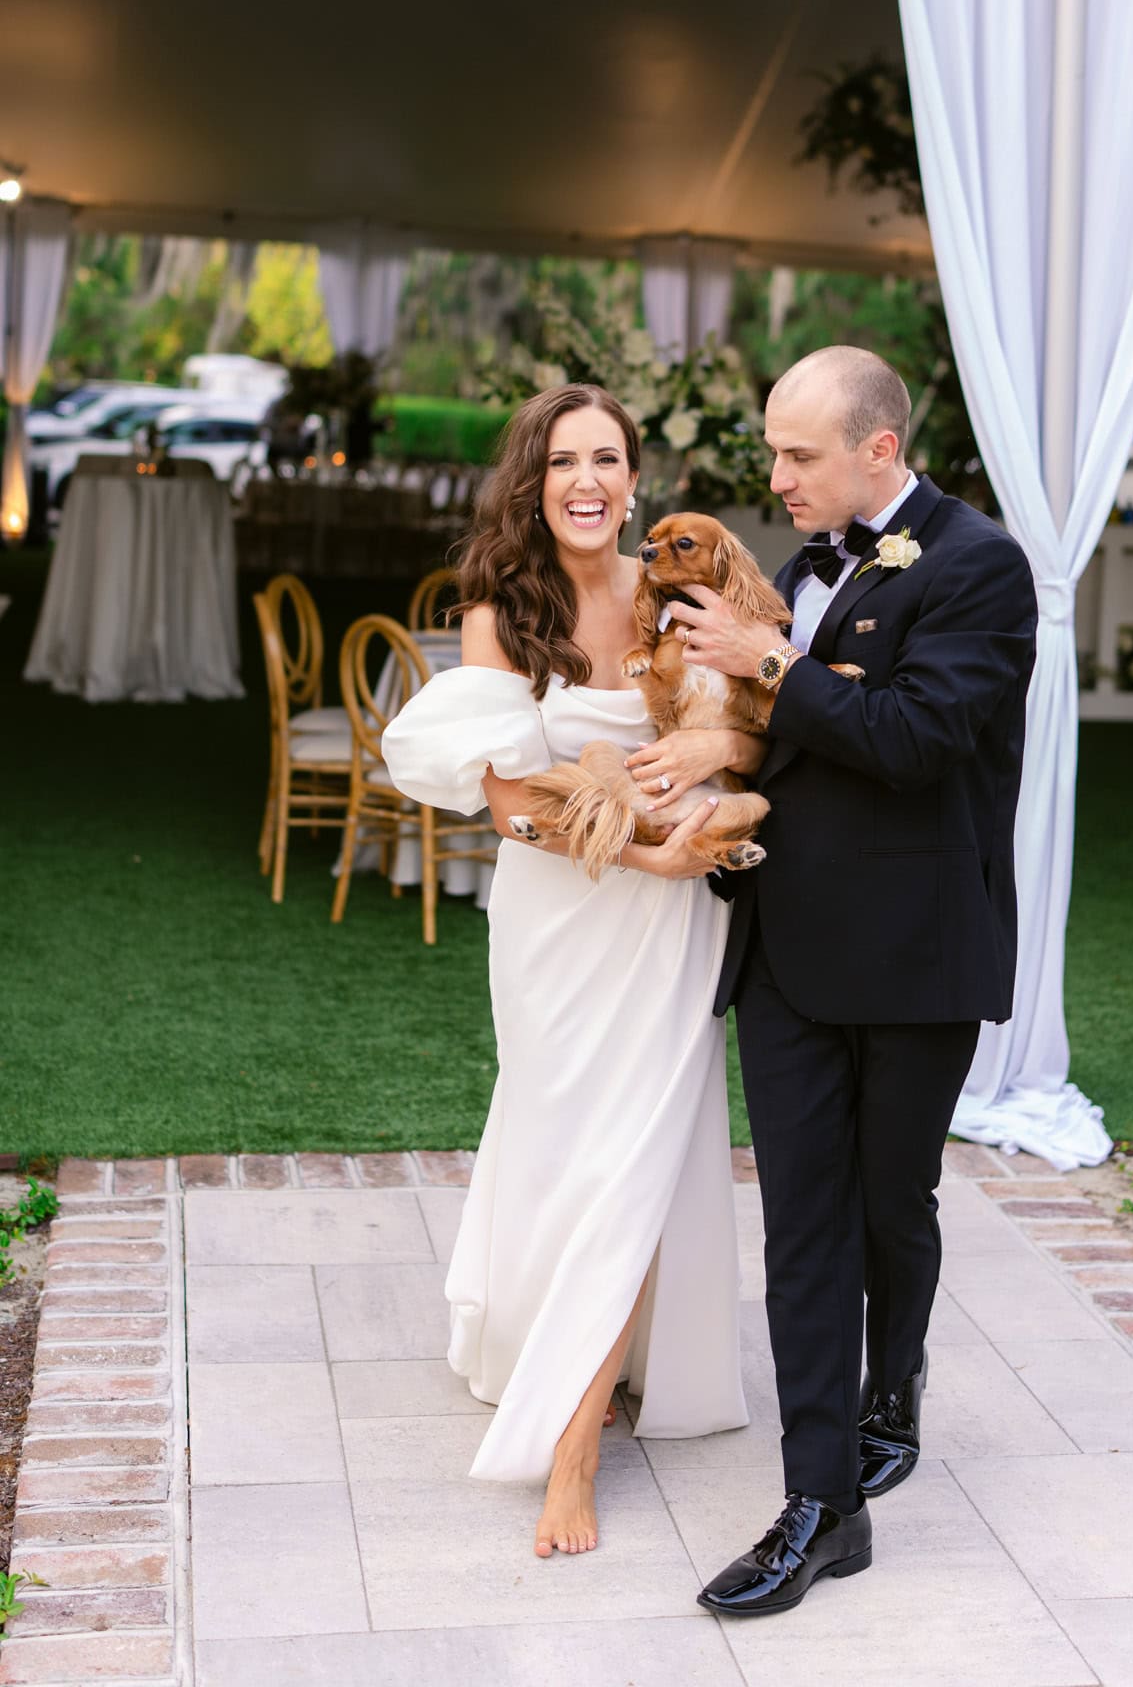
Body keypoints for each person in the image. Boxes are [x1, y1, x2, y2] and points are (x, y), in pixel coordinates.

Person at [667, 346, 1038, 1617]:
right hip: (782, 950)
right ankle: (821, 1504)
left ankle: (899, 1383)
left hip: (912, 957)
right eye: (772, 452)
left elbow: (917, 741)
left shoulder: (981, 567)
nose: (776, 478)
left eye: (799, 455)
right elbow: (792, 740)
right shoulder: (795, 568)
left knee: (893, 1208)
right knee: (805, 1229)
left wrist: (771, 666)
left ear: (880, 449)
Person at [381, 383, 751, 1560]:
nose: (586, 481)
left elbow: (751, 724)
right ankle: (559, 1347)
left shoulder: (678, 593)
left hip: (675, 926)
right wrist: (655, 853)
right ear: (533, 483)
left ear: (635, 482)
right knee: (558, 1146)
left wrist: (714, 778)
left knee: (638, 1158)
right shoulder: (498, 609)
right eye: (563, 461)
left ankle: (577, 1447)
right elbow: (508, 811)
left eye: (608, 459)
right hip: (561, 918)